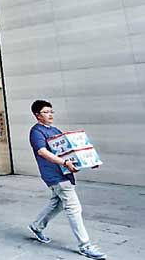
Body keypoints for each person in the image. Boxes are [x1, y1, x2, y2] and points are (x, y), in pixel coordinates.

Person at [28, 100, 106, 259]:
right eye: (46, 112)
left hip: (64, 174)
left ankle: (36, 226)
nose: (50, 114)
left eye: (51, 111)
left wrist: (89, 162)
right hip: (54, 174)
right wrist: (64, 163)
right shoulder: (36, 132)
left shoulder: (55, 130)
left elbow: (67, 151)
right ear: (37, 115)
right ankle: (85, 245)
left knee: (57, 204)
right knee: (73, 208)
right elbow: (42, 152)